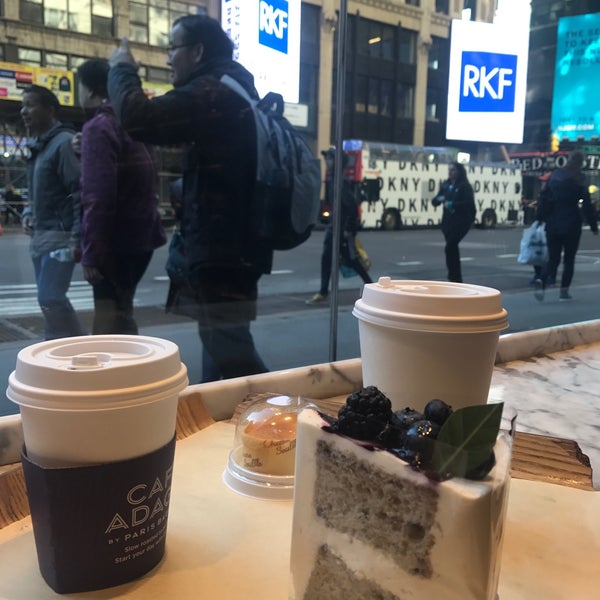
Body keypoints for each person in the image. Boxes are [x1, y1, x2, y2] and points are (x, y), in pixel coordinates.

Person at [107, 16, 271, 382]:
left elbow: (138, 118)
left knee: (230, 350)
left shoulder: (214, 92)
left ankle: (283, 423)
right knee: (220, 344)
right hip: (231, 248)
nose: (168, 59)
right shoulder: (232, 89)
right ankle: (231, 420)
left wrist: (121, 69)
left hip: (223, 250)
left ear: (197, 52)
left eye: (172, 49)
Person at [76, 58, 166, 334]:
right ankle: (131, 372)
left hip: (115, 243)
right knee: (122, 314)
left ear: (90, 91)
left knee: (108, 326)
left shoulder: (99, 127)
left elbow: (98, 196)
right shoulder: (131, 125)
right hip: (141, 239)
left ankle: (117, 376)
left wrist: (91, 253)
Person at [20, 84, 85, 340]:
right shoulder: (38, 145)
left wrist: (76, 238)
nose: (24, 111)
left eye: (31, 105)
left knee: (50, 297)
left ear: (49, 109)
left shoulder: (63, 143)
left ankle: (65, 350)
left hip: (61, 236)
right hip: (42, 237)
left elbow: (79, 191)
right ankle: (70, 348)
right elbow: (34, 189)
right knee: (50, 302)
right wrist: (27, 212)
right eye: (23, 105)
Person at [306, 149, 372, 304]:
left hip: (339, 231)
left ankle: (372, 288)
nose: (327, 162)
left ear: (337, 162)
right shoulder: (334, 180)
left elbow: (351, 206)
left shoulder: (339, 182)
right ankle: (324, 291)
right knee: (331, 259)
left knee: (350, 260)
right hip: (335, 229)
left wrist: (347, 230)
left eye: (329, 159)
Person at [534, 151, 598, 302]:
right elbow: (587, 206)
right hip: (571, 222)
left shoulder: (556, 175)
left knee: (553, 258)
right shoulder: (580, 178)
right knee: (569, 259)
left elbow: (544, 198)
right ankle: (564, 291)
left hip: (553, 221)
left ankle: (542, 279)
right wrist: (593, 225)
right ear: (581, 163)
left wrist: (540, 218)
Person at [432, 162, 476, 283]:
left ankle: (455, 276)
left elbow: (468, 203)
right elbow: (435, 200)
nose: (450, 172)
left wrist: (453, 204)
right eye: (449, 170)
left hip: (461, 221)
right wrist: (439, 199)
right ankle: (454, 276)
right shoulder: (446, 185)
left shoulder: (464, 186)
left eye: (453, 170)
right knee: (451, 248)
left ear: (459, 172)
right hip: (448, 221)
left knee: (450, 246)